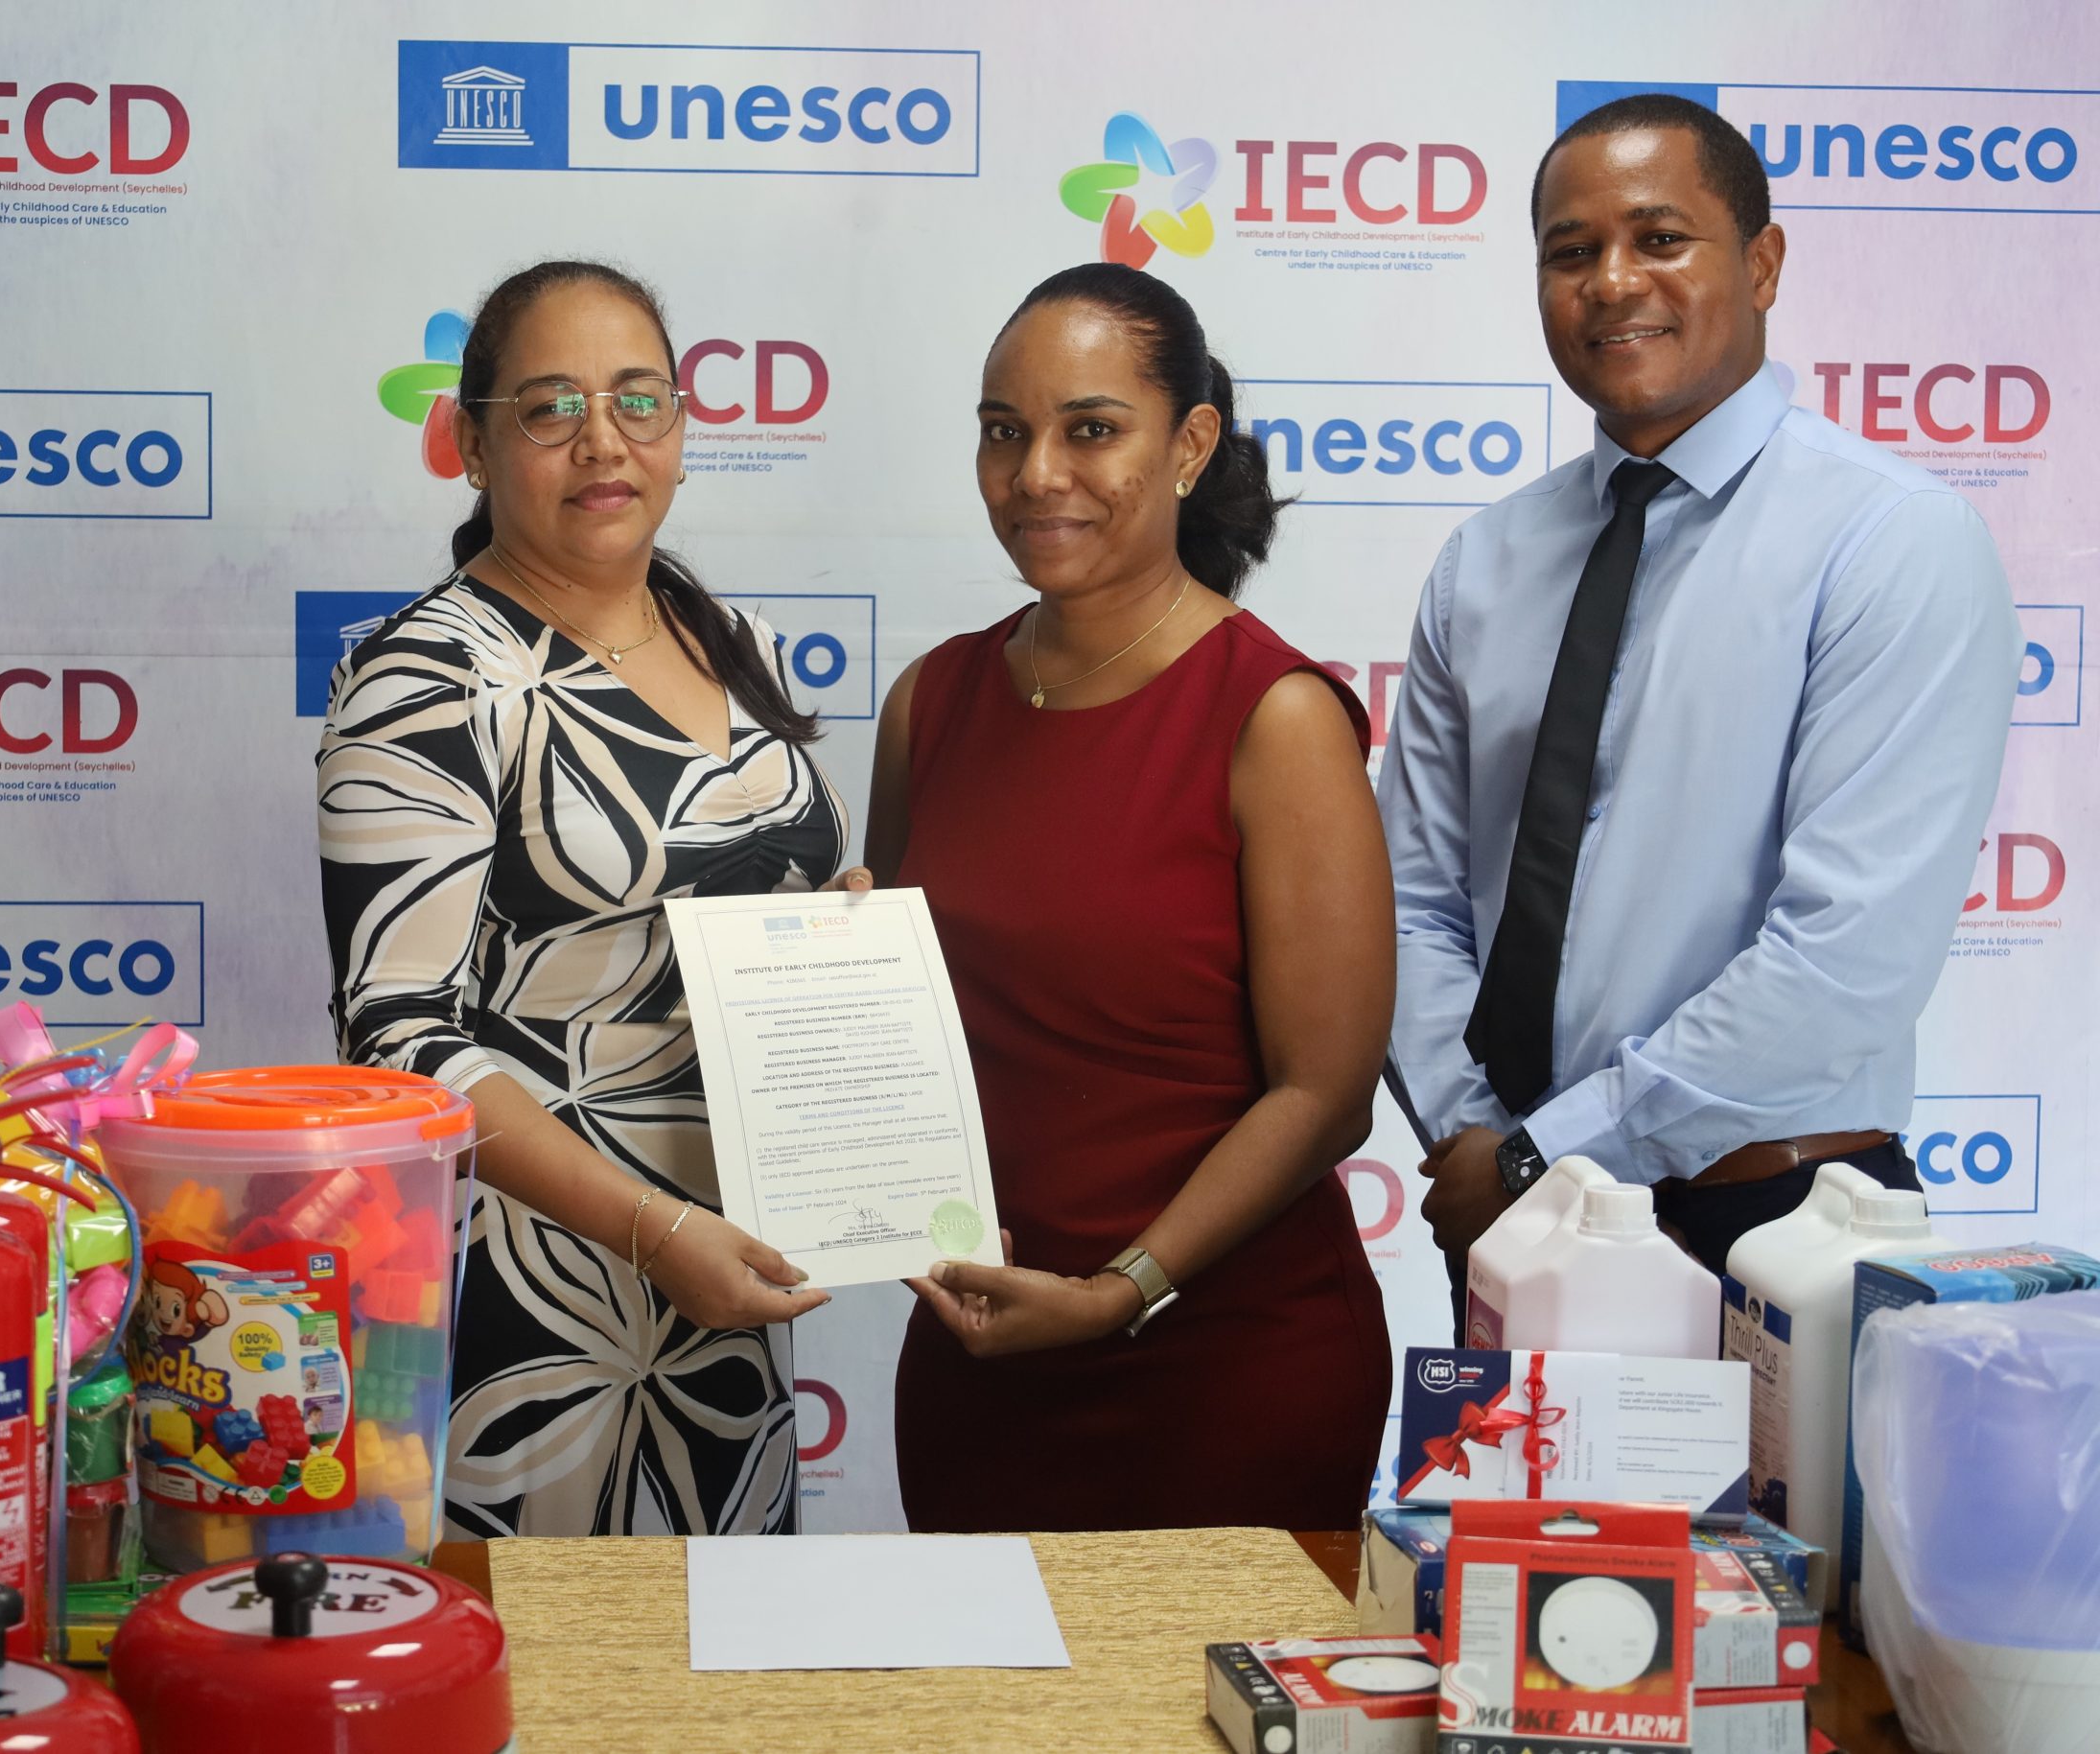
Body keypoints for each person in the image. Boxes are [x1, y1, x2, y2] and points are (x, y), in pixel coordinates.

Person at [1378, 94, 2020, 1313]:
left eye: (1660, 238)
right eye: (1571, 251)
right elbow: (1411, 900)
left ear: (1762, 262)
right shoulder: (1485, 561)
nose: (1613, 281)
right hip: (1516, 1225)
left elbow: (1845, 957)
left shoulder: (1891, 539)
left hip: (1777, 1219)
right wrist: (1488, 1150)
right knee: (1501, 1465)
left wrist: (1548, 1155)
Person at [859, 263, 1395, 1532]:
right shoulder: (931, 701)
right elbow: (905, 1031)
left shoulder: (1273, 715)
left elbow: (1325, 1094)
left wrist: (1122, 1287)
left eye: (1091, 429)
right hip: (982, 1359)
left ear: (1190, 445)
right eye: (1004, 432)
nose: (1037, 472)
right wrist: (828, 972)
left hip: (1223, 1369)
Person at [317, 260, 845, 1537]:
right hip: (536, 1294)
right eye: (551, 406)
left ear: (681, 427)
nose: (603, 440)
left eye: (637, 399)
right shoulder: (427, 679)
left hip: (727, 1296)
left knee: (727, 1657)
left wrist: (841, 944)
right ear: (472, 445)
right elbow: (398, 1038)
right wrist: (651, 1231)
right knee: (564, 1654)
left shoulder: (730, 638)